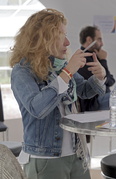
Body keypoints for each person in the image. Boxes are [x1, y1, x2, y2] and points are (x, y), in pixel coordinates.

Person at [9, 9, 107, 179]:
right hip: (46, 159)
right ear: (44, 39)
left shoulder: (59, 66)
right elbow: (37, 108)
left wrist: (99, 77)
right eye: (61, 35)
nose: (68, 42)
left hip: (77, 154)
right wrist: (68, 72)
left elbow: (83, 90)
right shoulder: (22, 71)